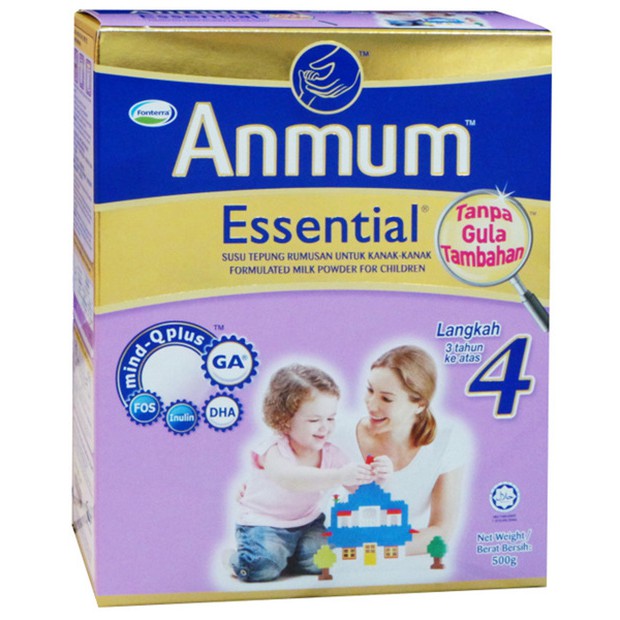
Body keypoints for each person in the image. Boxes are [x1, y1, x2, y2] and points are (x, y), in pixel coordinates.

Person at [231, 364, 392, 582]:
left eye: (331, 418)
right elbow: (290, 479)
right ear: (285, 420)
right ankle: (236, 560)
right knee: (262, 567)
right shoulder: (273, 450)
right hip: (264, 524)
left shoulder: (332, 453)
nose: (325, 427)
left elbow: (361, 490)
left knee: (321, 561)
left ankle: (289, 556)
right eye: (314, 420)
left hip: (307, 523)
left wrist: (378, 475)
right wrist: (339, 476)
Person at [343, 345, 471, 555]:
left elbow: (441, 532)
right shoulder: (336, 433)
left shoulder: (447, 440)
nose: (371, 405)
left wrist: (373, 549)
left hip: (401, 562)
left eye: (386, 398)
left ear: (420, 404)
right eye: (370, 390)